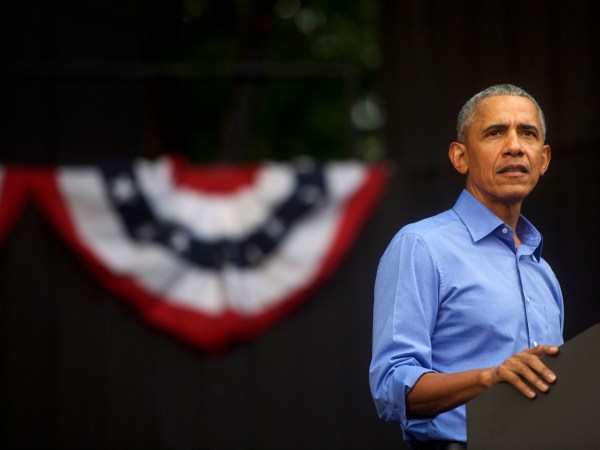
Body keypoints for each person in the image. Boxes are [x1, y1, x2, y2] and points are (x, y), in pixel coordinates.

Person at [369, 84, 564, 449]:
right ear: (460, 157)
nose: (514, 146)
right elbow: (391, 386)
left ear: (543, 159)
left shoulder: (544, 272)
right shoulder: (421, 246)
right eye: (494, 132)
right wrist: (489, 378)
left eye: (528, 133)